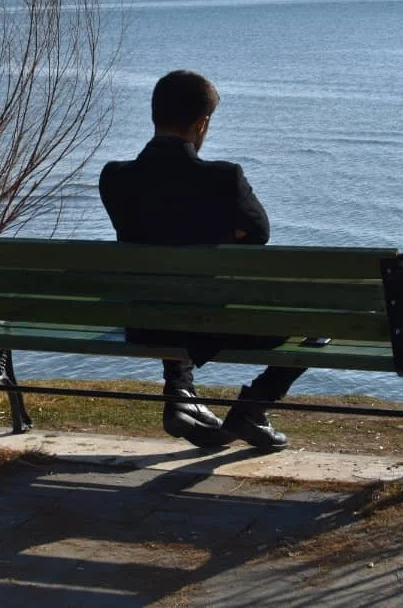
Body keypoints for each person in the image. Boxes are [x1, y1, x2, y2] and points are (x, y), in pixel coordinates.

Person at [99, 70, 304, 451]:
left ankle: (179, 391)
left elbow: (146, 234)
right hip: (213, 324)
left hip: (144, 323)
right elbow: (258, 233)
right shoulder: (225, 179)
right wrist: (221, 236)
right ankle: (255, 403)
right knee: (316, 316)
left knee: (169, 295)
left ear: (154, 116)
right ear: (201, 124)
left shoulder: (114, 178)